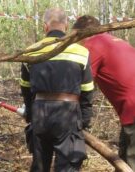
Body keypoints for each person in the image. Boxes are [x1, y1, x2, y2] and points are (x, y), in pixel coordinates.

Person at [20, 8, 94, 171]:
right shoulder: (82, 52)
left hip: (40, 115)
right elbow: (87, 91)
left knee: (40, 166)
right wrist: (84, 121)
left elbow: (25, 88)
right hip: (68, 115)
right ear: (66, 26)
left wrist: (31, 114)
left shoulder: (30, 51)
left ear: (45, 26)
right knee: (67, 167)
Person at [73, 15, 135, 170]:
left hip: (132, 108)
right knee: (125, 156)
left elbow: (82, 84)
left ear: (81, 34)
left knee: (130, 160)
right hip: (130, 108)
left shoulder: (93, 45)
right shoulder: (114, 41)